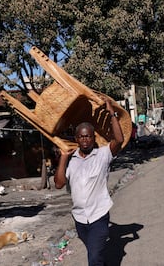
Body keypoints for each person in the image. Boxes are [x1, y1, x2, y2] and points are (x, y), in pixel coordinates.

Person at [54, 98, 124, 266]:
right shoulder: (72, 161)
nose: (85, 140)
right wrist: (63, 157)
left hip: (98, 216)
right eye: (81, 137)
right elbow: (59, 183)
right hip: (79, 219)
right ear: (77, 139)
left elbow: (119, 140)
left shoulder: (103, 155)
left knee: (93, 258)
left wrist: (111, 113)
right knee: (95, 254)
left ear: (93, 138)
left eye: (88, 136)